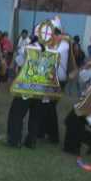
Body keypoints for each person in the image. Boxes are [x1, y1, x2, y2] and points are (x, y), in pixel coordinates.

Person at [7, 34, 61, 149]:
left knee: (16, 114)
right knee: (35, 117)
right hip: (42, 90)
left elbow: (19, 62)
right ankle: (31, 142)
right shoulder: (53, 51)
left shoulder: (28, 48)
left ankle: (14, 140)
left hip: (26, 87)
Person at [37, 16, 76, 144]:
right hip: (51, 78)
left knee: (50, 107)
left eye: (51, 31)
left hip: (58, 79)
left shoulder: (63, 44)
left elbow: (53, 55)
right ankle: (43, 132)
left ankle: (52, 135)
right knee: (46, 106)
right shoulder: (54, 42)